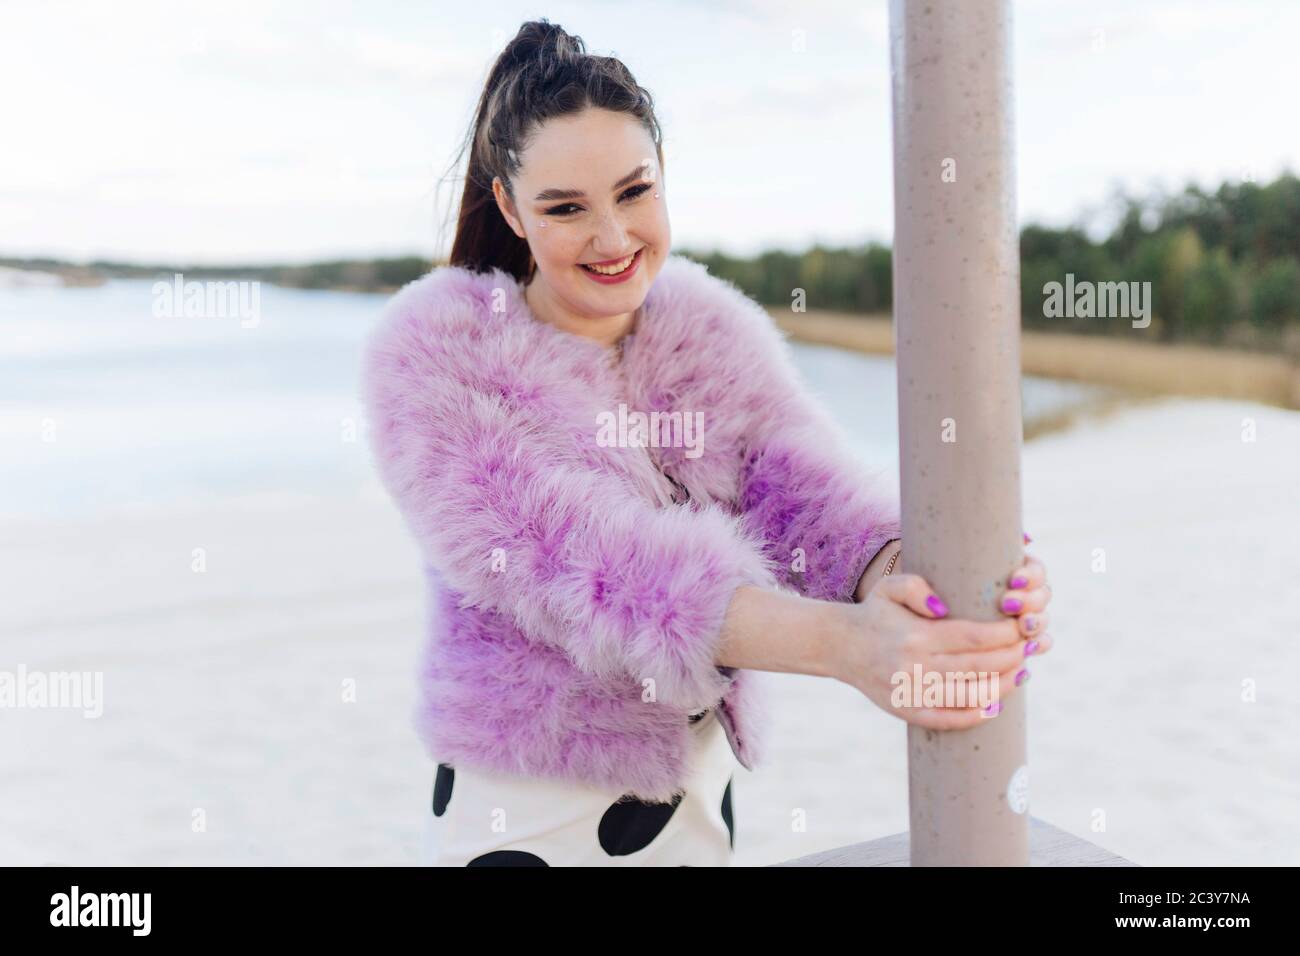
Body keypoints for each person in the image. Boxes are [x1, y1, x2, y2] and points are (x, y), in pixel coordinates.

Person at [359, 19, 1053, 867]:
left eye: (633, 191)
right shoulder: (437, 358)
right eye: (565, 207)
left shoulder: (707, 330)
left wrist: (919, 580)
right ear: (509, 206)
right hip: (528, 807)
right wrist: (850, 647)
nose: (613, 239)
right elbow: (583, 561)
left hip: (697, 796)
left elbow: (802, 496)